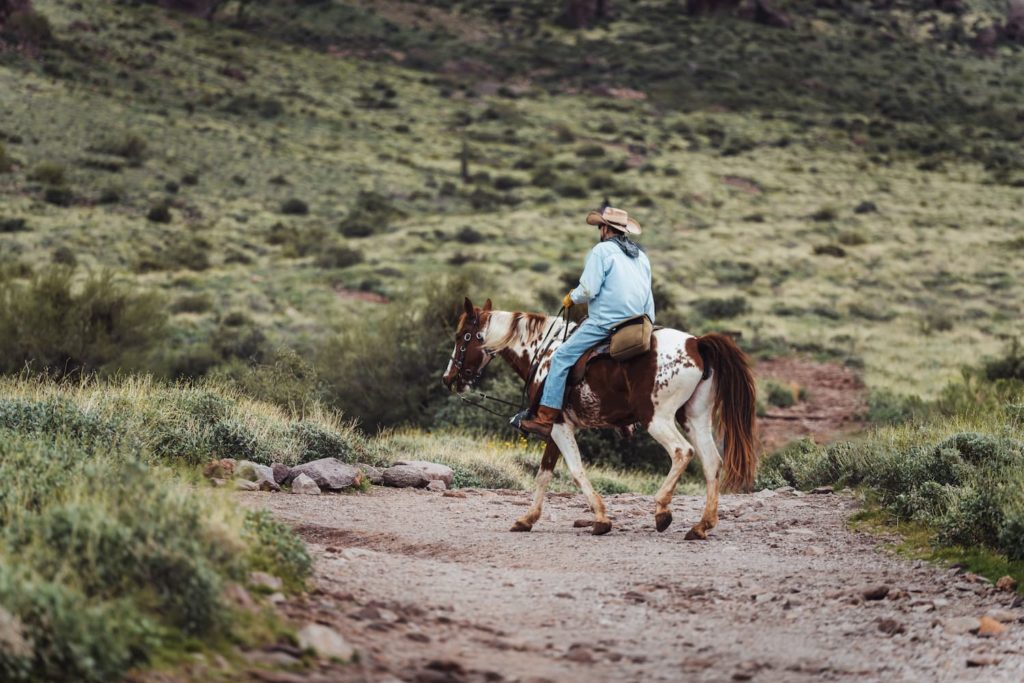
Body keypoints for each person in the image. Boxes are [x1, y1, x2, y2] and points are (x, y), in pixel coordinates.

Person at [518, 206, 655, 438]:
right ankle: (624, 420)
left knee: (561, 356)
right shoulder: (640, 256)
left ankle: (545, 418)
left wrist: (571, 297)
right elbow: (648, 293)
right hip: (639, 322)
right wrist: (649, 322)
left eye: (600, 226)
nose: (599, 230)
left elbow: (589, 289)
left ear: (605, 229)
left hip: (606, 321)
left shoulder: (601, 251)